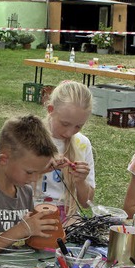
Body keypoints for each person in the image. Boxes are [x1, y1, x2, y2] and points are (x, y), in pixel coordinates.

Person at [0, 115, 60, 259]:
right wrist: (19, 231)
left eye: (39, 172)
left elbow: (27, 241)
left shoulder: (24, 190)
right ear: (4, 159)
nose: (34, 179)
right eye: (30, 172)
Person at [38, 80, 95, 226]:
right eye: (65, 124)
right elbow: (3, 179)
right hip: (30, 212)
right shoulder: (30, 136)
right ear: (50, 110)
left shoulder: (82, 144)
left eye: (78, 126)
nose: (70, 132)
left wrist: (81, 181)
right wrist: (40, 168)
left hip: (66, 216)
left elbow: (86, 203)